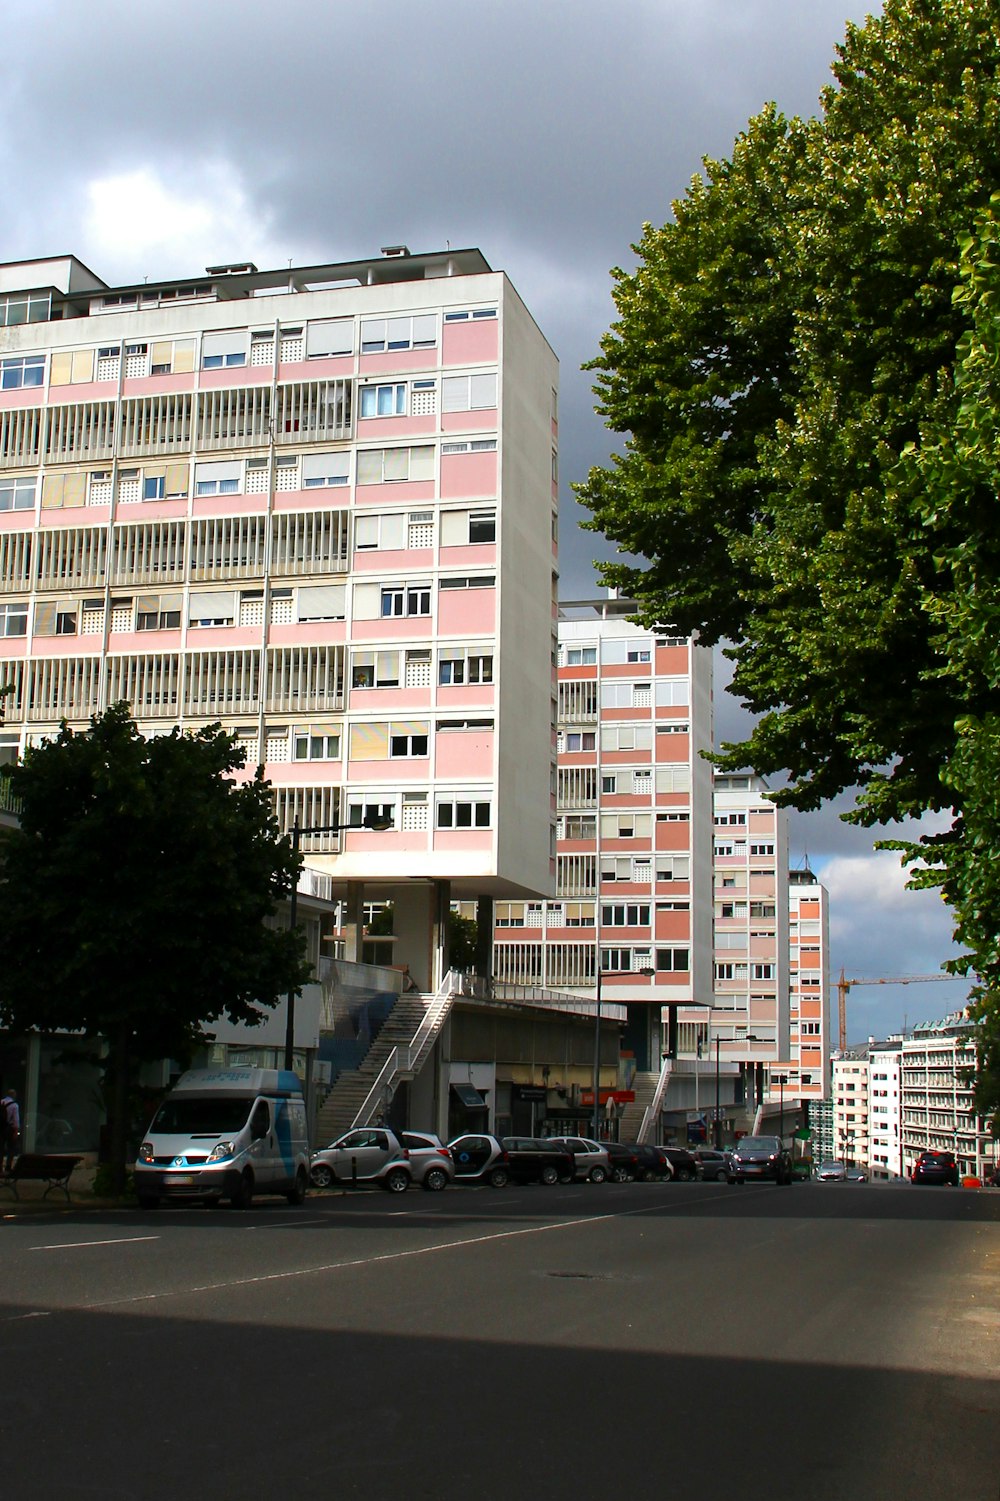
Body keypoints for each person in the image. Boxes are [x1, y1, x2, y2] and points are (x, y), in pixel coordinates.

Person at [1, 1089, 20, 1173]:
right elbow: (16, 1120)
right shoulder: (14, 1105)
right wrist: (16, 1132)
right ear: (14, 1095)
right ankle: (8, 1166)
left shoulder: (1, 1102)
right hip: (9, 1129)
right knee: (11, 1148)